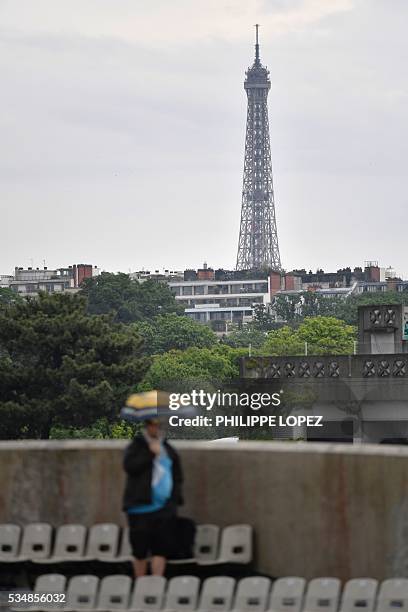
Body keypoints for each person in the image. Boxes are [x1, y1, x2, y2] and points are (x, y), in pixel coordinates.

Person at [122, 418, 183, 577]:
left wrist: (174, 500)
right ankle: (140, 585)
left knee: (161, 549)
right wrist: (150, 454)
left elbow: (177, 475)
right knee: (140, 550)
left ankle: (156, 585)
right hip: (140, 507)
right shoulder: (137, 446)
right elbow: (130, 467)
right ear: (147, 426)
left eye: (159, 425)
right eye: (153, 425)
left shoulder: (168, 448)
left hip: (164, 508)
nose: (157, 428)